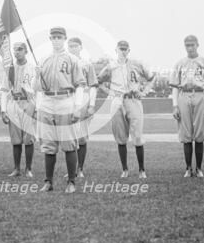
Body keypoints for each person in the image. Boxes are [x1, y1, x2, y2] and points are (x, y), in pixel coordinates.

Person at [35, 27, 86, 193]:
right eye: (53, 37)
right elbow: (37, 88)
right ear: (50, 39)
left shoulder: (72, 59)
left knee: (69, 142)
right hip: (48, 101)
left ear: (64, 38)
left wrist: (77, 107)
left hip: (66, 100)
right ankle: (48, 182)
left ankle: (71, 181)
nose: (56, 40)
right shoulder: (43, 60)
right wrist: (37, 75)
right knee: (49, 144)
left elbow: (80, 85)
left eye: (59, 37)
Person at [97, 40, 156, 178]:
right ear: (116, 50)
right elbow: (98, 81)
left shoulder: (136, 64)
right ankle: (125, 169)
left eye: (125, 49)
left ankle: (142, 170)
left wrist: (144, 92)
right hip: (117, 100)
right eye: (120, 49)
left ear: (129, 50)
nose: (123, 51)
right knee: (120, 137)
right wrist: (110, 92)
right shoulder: (111, 66)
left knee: (137, 136)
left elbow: (151, 78)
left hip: (133, 99)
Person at [170, 35, 204, 178]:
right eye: (187, 45)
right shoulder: (179, 63)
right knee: (186, 134)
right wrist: (175, 106)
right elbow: (174, 87)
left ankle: (199, 168)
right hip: (184, 95)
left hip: (201, 94)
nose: (190, 47)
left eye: (192, 45)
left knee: (199, 133)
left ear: (198, 45)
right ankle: (188, 168)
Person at [1, 42, 36, 178]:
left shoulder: (33, 68)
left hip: (28, 102)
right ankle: (16, 168)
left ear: (26, 51)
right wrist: (3, 110)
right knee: (15, 139)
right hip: (14, 103)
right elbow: (4, 90)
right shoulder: (10, 69)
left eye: (20, 49)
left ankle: (28, 169)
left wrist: (37, 108)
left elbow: (38, 90)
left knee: (28, 138)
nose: (17, 52)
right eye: (15, 50)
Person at [67, 37, 98, 177]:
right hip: (68, 100)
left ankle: (80, 169)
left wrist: (91, 105)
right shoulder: (65, 63)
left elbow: (93, 86)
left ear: (81, 47)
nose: (72, 48)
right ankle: (71, 169)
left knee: (82, 137)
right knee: (70, 136)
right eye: (70, 46)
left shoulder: (87, 64)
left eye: (75, 46)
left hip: (84, 100)